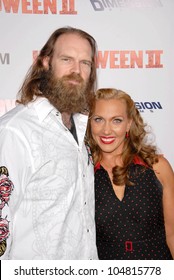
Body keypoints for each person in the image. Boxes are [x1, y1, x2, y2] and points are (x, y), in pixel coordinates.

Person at [0, 26, 98, 260]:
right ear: (45, 62)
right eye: (67, 59)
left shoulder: (81, 129)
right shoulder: (15, 131)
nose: (77, 71)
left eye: (85, 63)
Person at [86, 88, 174, 260]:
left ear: (129, 123)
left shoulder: (157, 167)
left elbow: (172, 233)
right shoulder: (83, 173)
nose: (106, 130)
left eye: (116, 121)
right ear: (89, 123)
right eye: (98, 120)